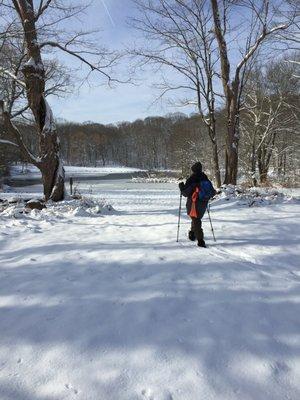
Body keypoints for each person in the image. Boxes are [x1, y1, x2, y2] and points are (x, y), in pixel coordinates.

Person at [179, 162, 216, 248]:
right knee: (196, 218)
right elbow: (212, 191)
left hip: (194, 202)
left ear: (193, 169)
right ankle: (192, 233)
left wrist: (181, 187)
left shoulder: (192, 178)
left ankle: (200, 240)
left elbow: (185, 193)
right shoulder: (205, 177)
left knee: (196, 219)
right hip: (203, 202)